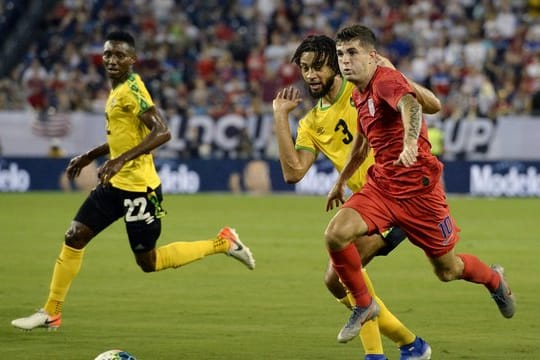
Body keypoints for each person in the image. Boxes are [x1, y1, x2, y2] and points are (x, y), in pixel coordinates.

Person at [11, 31, 255, 331]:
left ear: (132, 60)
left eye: (119, 55)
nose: (112, 60)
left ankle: (223, 243)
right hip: (114, 184)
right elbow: (124, 136)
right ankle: (52, 311)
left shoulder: (132, 89)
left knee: (148, 262)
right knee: (74, 236)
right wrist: (91, 155)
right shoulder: (116, 90)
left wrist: (120, 160)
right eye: (108, 54)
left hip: (140, 189)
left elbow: (163, 131)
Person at [324, 24, 515, 345]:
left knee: (448, 270)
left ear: (372, 57)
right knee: (335, 234)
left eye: (352, 53)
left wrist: (410, 142)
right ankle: (364, 304)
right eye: (341, 54)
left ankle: (494, 280)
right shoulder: (358, 94)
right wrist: (341, 181)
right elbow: (361, 143)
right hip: (382, 188)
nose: (345, 60)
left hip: (420, 194)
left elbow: (411, 106)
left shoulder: (386, 80)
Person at [272, 34, 439, 360]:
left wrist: (398, 77)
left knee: (344, 272)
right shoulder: (311, 122)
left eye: (318, 67)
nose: (310, 75)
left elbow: (426, 105)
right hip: (367, 205)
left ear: (336, 65)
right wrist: (280, 116)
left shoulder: (363, 86)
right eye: (305, 69)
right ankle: (410, 344)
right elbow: (293, 173)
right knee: (337, 279)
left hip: (399, 195)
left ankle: (378, 354)